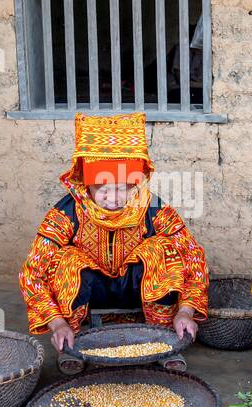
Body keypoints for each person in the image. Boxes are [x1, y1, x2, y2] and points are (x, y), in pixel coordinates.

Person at [19, 112, 209, 370]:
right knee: (65, 259)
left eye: (123, 187)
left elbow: (193, 258)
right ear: (87, 184)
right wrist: (57, 323)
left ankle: (163, 338)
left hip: (137, 289)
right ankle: (70, 343)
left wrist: (185, 311)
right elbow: (32, 273)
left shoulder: (153, 209)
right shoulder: (66, 212)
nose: (114, 198)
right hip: (91, 293)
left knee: (162, 249)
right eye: (103, 188)